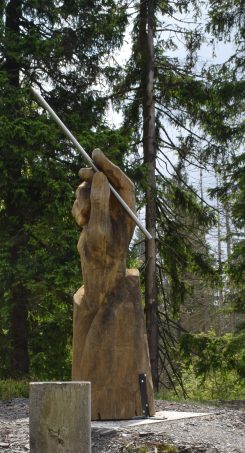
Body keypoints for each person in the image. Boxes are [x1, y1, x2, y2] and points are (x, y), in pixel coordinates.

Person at [71, 149, 154, 420]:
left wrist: (102, 205)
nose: (75, 205)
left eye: (78, 199)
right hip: (92, 306)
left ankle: (121, 405)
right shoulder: (93, 234)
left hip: (113, 307)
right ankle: (98, 406)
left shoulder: (102, 235)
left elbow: (101, 238)